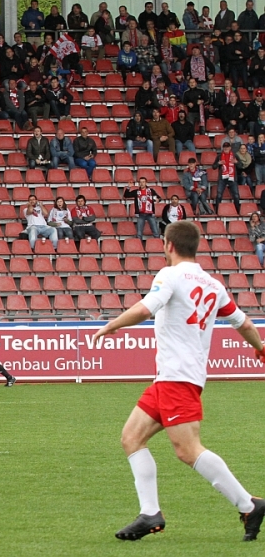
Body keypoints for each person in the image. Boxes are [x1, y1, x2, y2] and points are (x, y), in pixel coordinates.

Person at [91, 221, 265, 541]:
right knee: (131, 438)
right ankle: (150, 513)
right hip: (171, 378)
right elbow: (243, 323)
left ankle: (248, 504)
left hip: (178, 377)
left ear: (168, 245)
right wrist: (260, 347)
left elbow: (146, 308)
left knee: (188, 450)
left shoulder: (169, 275)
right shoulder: (213, 284)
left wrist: (111, 325)